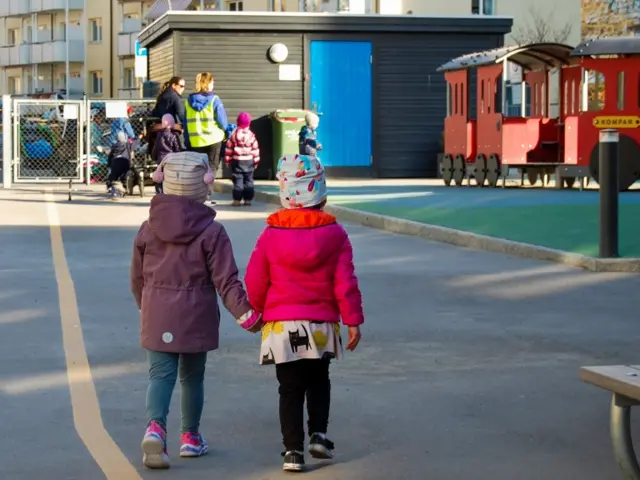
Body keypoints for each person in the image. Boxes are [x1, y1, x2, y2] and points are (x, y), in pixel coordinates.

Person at [131, 151, 262, 470]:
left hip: (157, 313)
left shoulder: (148, 228)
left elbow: (137, 277)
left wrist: (144, 305)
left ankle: (155, 429)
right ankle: (190, 437)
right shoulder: (212, 232)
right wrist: (247, 314)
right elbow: (226, 279)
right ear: (203, 186)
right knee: (192, 378)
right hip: (196, 315)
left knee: (159, 375)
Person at [245, 154, 364, 472]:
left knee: (289, 388)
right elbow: (345, 282)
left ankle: (292, 452)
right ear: (321, 193)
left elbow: (256, 279)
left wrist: (256, 311)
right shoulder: (335, 235)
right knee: (319, 380)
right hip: (321, 324)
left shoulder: (270, 234)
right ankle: (319, 435)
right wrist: (352, 320)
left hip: (281, 326)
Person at [184, 72, 228, 205]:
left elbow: (185, 123)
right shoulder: (215, 100)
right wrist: (226, 131)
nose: (213, 85)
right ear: (207, 83)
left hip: (195, 140)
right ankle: (207, 196)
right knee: (211, 168)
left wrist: (187, 139)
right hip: (213, 139)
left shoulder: (188, 101)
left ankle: (197, 195)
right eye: (212, 82)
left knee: (197, 169)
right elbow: (223, 121)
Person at [224, 112, 260, 207]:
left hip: (237, 161)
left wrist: (228, 160)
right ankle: (248, 200)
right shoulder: (252, 135)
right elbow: (255, 149)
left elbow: (229, 149)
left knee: (238, 180)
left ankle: (237, 200)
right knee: (249, 180)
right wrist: (256, 161)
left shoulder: (234, 135)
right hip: (249, 160)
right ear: (249, 123)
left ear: (238, 123)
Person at [151, 114, 184, 194]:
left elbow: (156, 147)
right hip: (171, 159)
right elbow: (177, 148)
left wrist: (154, 156)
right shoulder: (174, 135)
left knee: (161, 177)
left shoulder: (160, 135)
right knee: (171, 176)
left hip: (161, 159)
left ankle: (160, 193)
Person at [106, 131, 132, 199]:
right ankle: (125, 187)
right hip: (125, 163)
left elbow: (110, 156)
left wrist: (109, 165)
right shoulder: (127, 145)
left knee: (113, 177)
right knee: (126, 175)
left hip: (115, 163)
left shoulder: (114, 146)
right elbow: (134, 144)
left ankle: (112, 189)